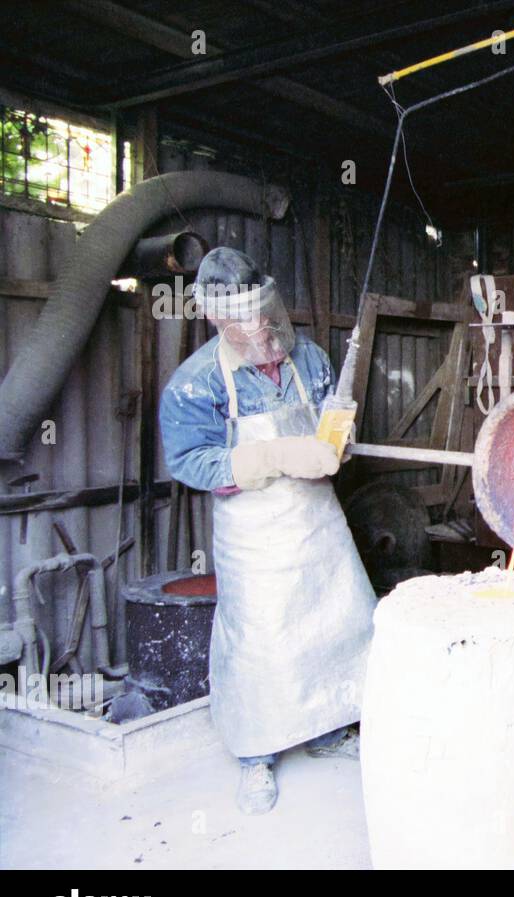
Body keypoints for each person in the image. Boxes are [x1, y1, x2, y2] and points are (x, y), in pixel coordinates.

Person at [160, 247, 375, 816]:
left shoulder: (309, 358)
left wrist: (338, 442)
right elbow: (190, 463)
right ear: (214, 317)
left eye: (265, 310)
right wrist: (276, 453)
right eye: (243, 318)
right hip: (254, 534)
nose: (260, 326)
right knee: (260, 642)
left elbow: (333, 419)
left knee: (337, 622)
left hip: (317, 523)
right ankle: (255, 755)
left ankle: (327, 728)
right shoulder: (194, 384)